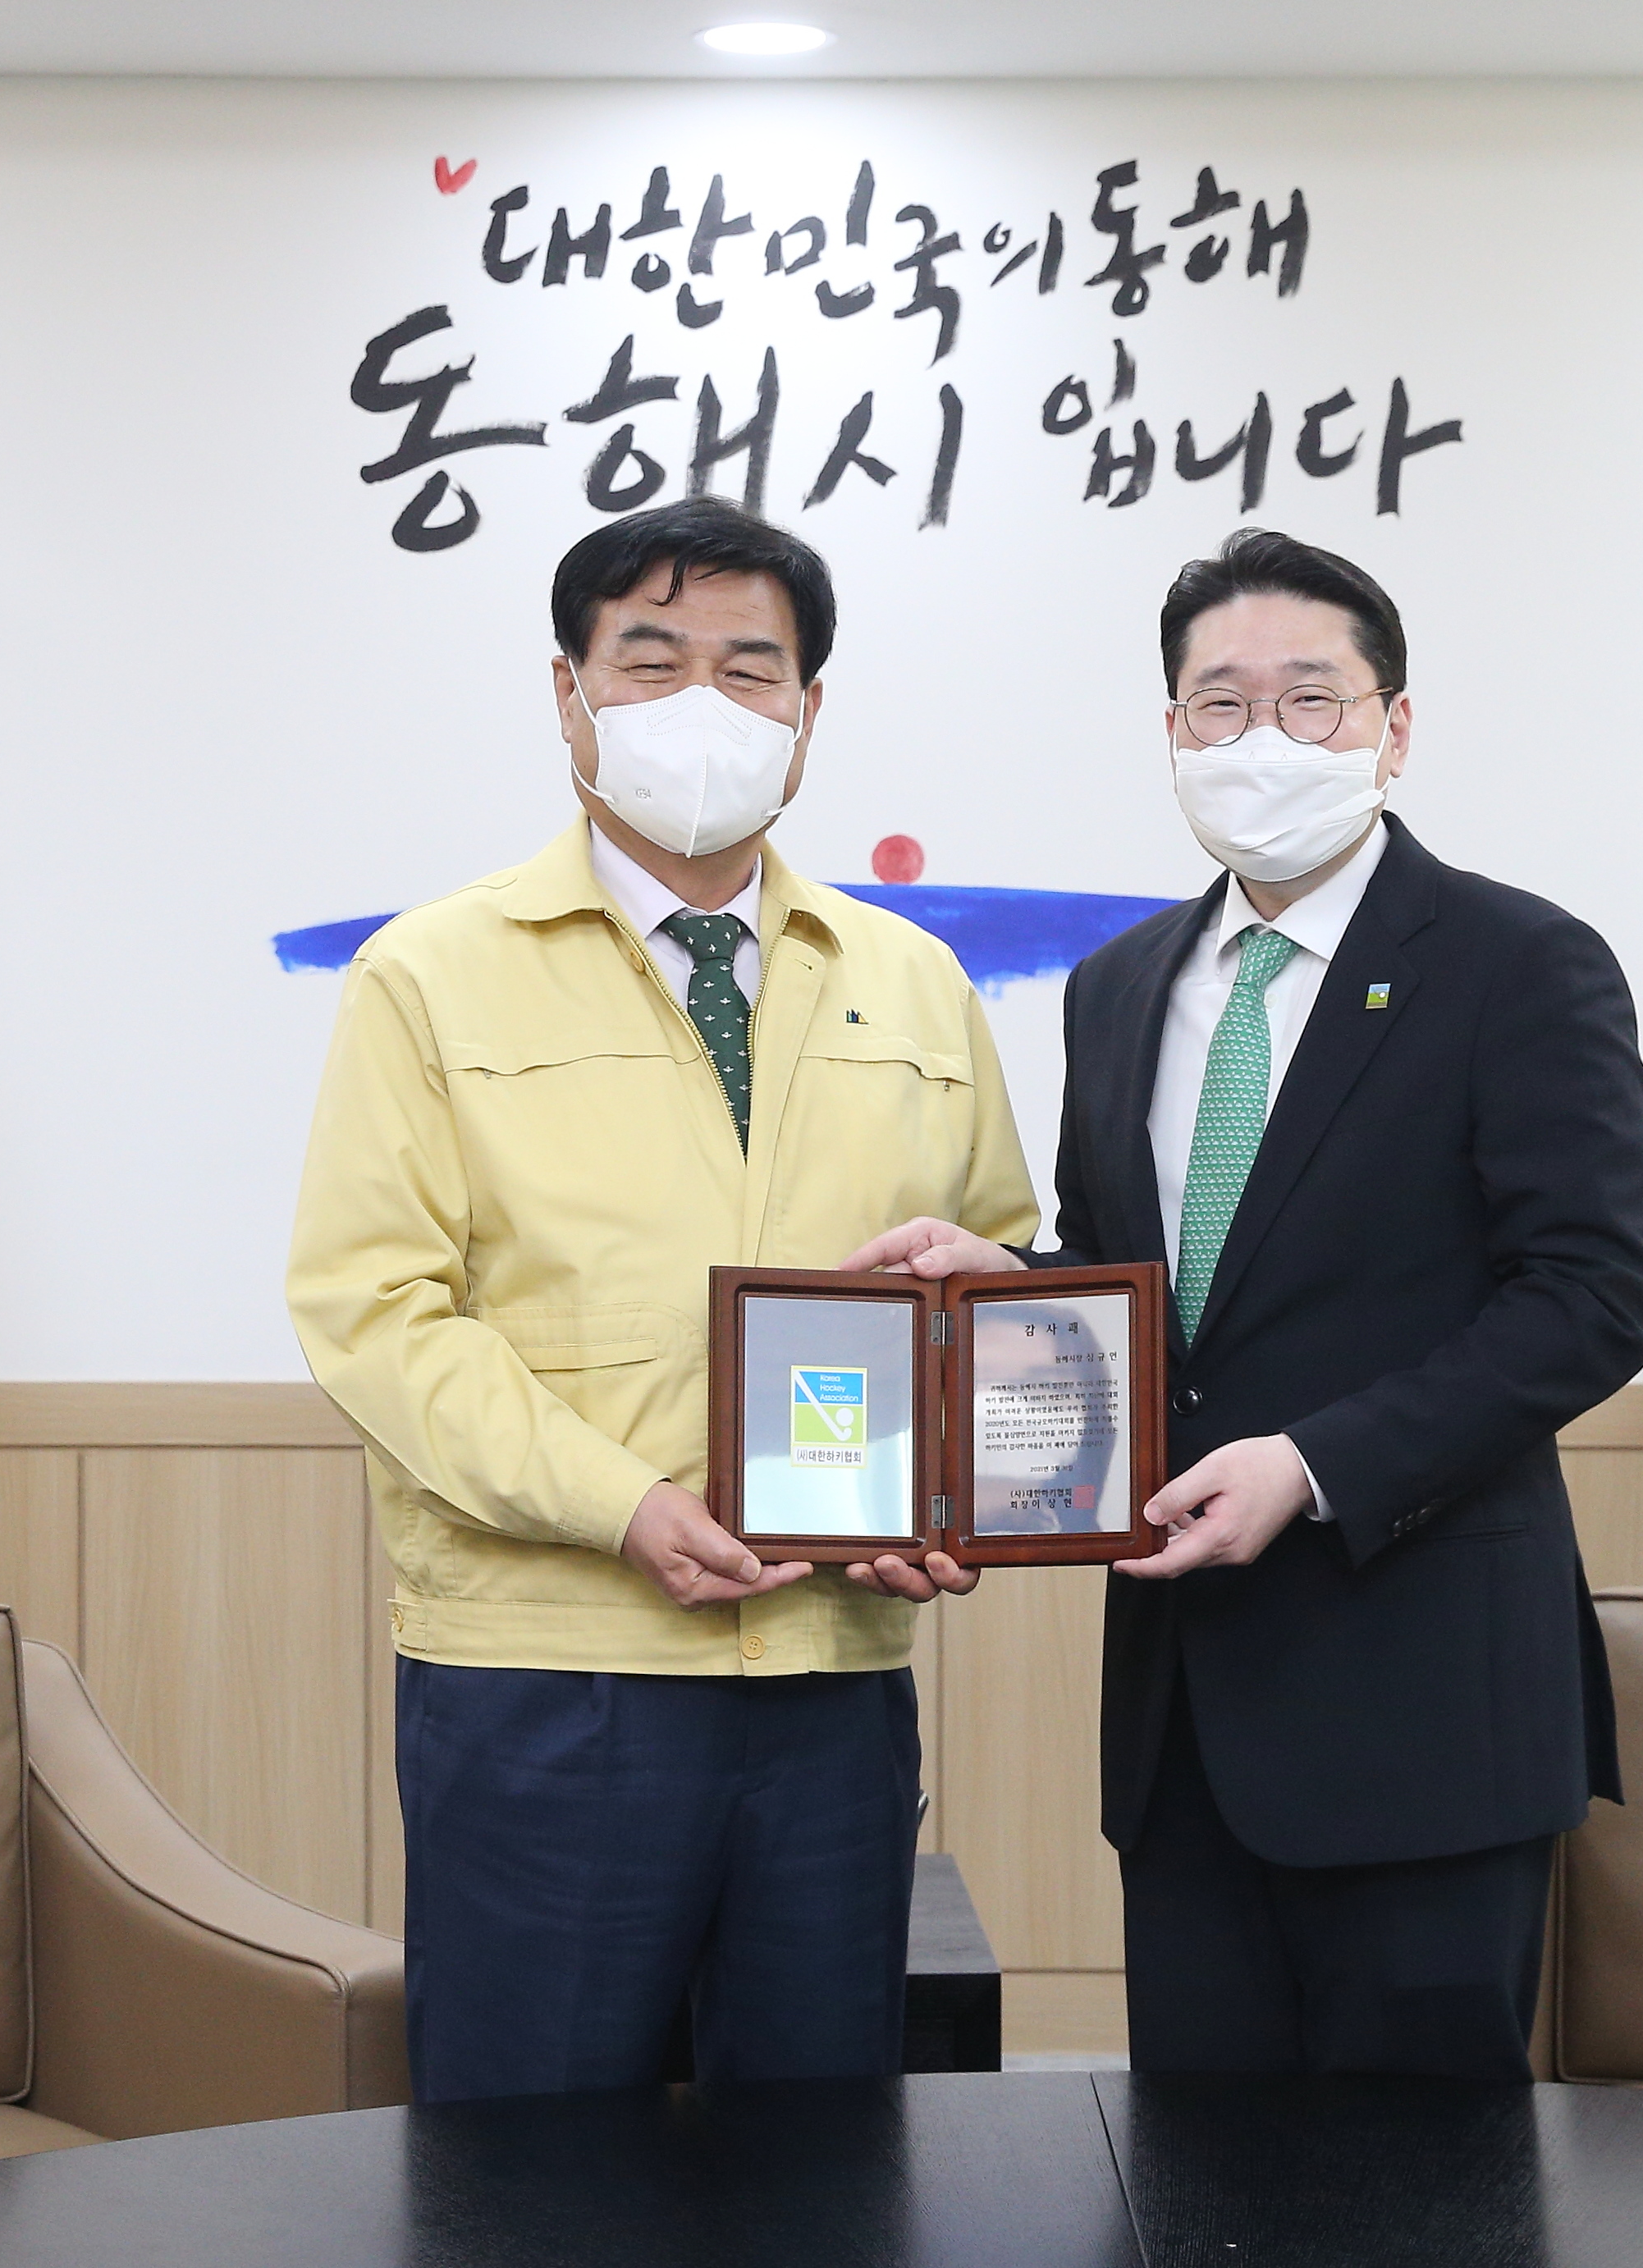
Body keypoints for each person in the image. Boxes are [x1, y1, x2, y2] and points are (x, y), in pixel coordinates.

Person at [845, 527, 1643, 2081]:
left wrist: (1315, 1464)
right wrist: (1010, 1294)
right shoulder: (1121, 985)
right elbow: (1145, 1297)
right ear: (1172, 733)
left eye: (1310, 697)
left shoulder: (1518, 962)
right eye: (1220, 704)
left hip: (1424, 1709)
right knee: (1194, 2175)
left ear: (1392, 728)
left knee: (1426, 2188)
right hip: (1184, 1720)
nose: (1261, 737)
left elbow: (1589, 1299)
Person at [289, 496, 1037, 2103]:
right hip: (551, 1670)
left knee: (816, 2156)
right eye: (650, 658)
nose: (703, 703)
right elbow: (376, 1311)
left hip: (832, 1670)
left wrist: (955, 1493)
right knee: (534, 2159)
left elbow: (992, 1270)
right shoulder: (430, 974)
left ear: (808, 713)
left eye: (749, 669)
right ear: (569, 695)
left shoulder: (912, 979)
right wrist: (621, 1505)